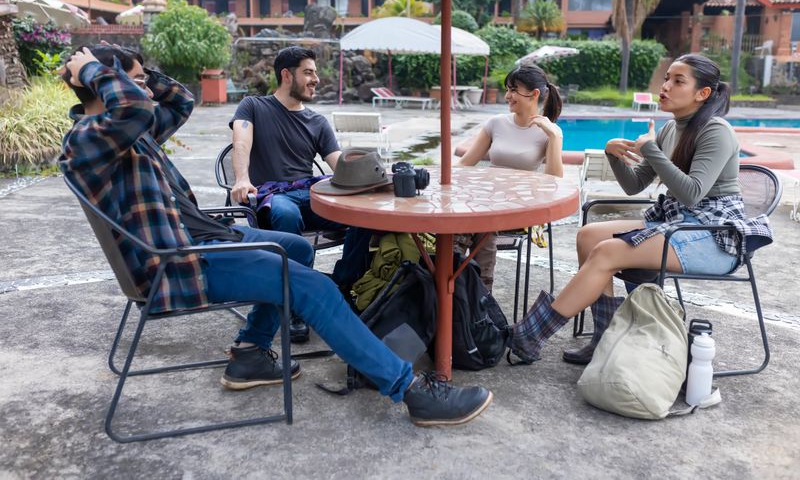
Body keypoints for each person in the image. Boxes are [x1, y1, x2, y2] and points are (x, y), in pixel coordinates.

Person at [58, 44, 493, 427]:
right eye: (137, 82)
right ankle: (412, 393)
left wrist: (129, 72)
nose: (147, 91)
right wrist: (96, 70)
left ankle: (251, 352)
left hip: (199, 240)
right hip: (178, 262)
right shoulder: (92, 140)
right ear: (106, 88)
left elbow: (179, 102)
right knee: (316, 288)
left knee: (297, 248)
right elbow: (135, 106)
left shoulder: (127, 134)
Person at [509, 53, 773, 365]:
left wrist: (651, 149)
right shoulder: (669, 129)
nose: (666, 86)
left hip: (713, 237)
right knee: (588, 236)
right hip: (678, 224)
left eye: (678, 81)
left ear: (702, 93)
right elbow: (634, 186)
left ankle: (530, 334)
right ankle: (605, 337)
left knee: (607, 252)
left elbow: (691, 193)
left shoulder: (716, 131)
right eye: (666, 78)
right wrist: (612, 155)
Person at [228, 46, 368, 341]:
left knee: (365, 216)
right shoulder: (253, 106)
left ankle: (341, 286)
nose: (316, 78)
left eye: (316, 72)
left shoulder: (317, 121)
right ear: (286, 75)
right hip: (271, 196)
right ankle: (294, 304)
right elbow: (241, 143)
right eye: (308, 72)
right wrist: (241, 179)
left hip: (310, 194)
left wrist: (373, 172)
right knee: (285, 213)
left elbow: (339, 166)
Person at [456, 64, 564, 291]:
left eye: (514, 90)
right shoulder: (496, 123)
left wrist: (553, 136)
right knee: (477, 219)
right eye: (507, 89)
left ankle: (462, 281)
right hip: (485, 203)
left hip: (518, 209)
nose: (507, 96)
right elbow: (464, 165)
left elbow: (555, 182)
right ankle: (478, 291)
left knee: (475, 223)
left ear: (534, 94)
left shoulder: (550, 132)